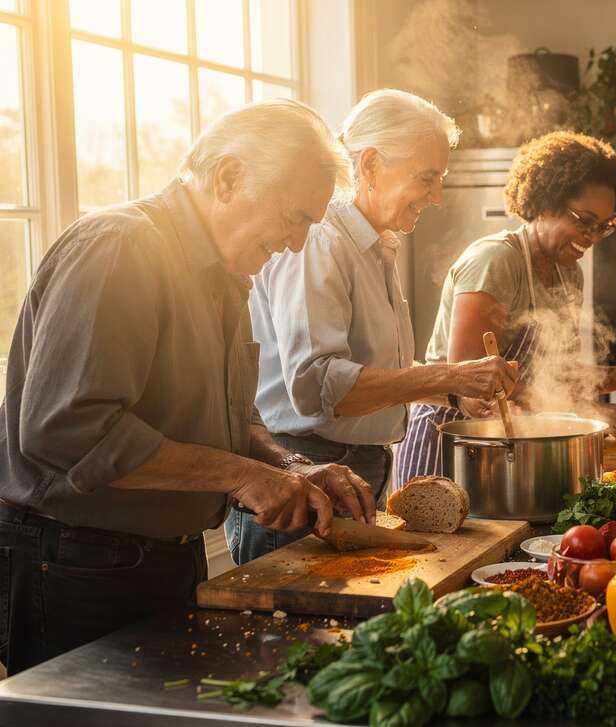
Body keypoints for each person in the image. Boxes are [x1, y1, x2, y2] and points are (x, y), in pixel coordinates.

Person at [0, 99, 368, 673]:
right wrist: (243, 476)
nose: (297, 243)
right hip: (77, 562)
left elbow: (229, 423)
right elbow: (67, 432)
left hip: (162, 559)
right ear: (228, 178)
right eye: (294, 217)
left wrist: (290, 467)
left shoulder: (227, 276)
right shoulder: (120, 246)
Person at [230, 90, 517, 564]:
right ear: (370, 165)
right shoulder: (321, 241)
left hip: (354, 468)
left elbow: (377, 372)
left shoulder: (373, 243)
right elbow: (318, 385)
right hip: (302, 472)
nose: (437, 197)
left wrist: (454, 393)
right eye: (427, 178)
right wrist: (451, 375)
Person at [395, 131, 616, 487]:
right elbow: (474, 382)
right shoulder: (497, 261)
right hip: (450, 442)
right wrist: (587, 410)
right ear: (546, 203)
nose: (592, 237)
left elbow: (557, 376)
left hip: (506, 442)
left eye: (602, 227)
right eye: (584, 220)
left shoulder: (567, 272)